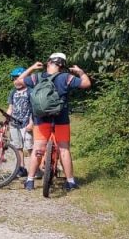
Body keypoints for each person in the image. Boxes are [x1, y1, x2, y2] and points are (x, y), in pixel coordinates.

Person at [16, 52, 92, 191]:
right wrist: (80, 72)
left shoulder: (37, 77)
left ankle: (30, 181)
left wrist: (32, 68)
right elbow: (86, 83)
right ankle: (70, 182)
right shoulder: (66, 77)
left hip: (41, 119)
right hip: (61, 119)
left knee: (38, 148)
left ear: (49, 62)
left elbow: (18, 82)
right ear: (62, 65)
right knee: (64, 149)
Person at [5, 66, 33, 179]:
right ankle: (22, 168)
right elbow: (10, 108)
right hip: (14, 124)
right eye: (14, 79)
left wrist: (31, 123)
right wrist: (6, 120)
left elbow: (34, 110)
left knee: (30, 147)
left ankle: (34, 169)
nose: (16, 81)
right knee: (18, 147)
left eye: (19, 78)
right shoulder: (13, 92)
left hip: (26, 123)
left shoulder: (30, 91)